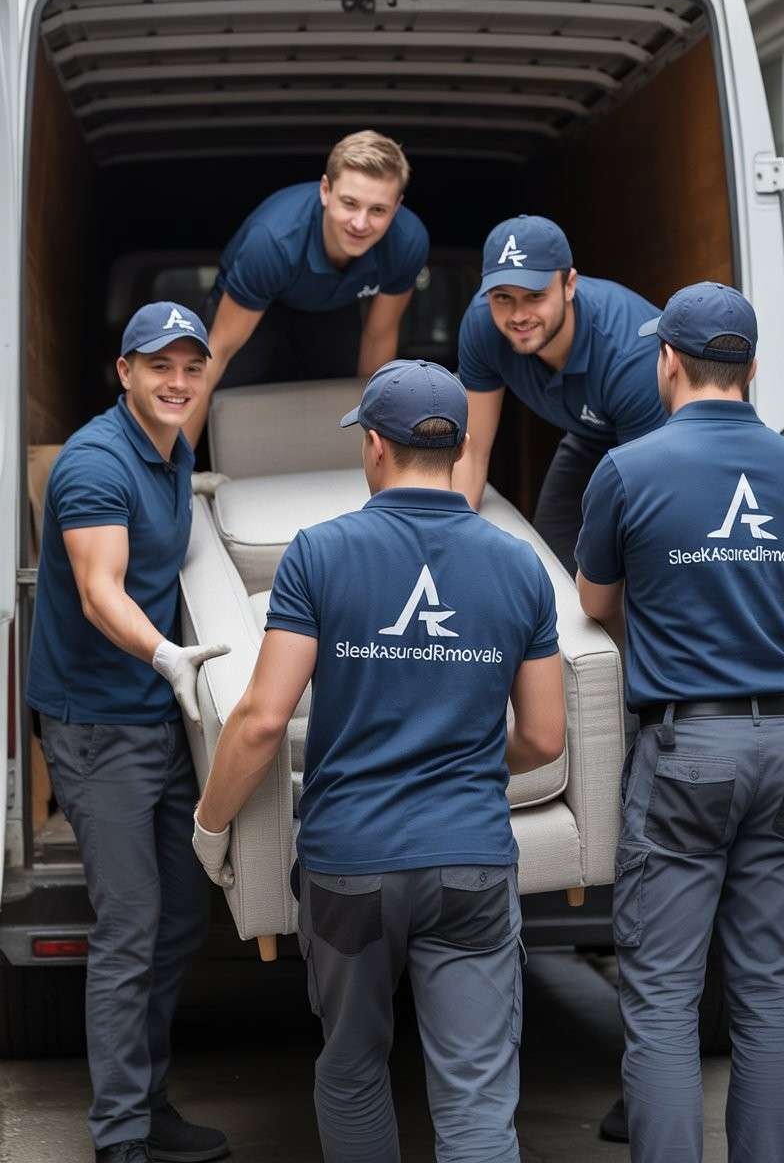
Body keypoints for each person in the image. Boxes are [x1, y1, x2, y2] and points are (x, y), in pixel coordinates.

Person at [192, 359, 565, 1163]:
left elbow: (262, 719)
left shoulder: (319, 555)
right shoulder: (517, 566)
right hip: (470, 861)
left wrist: (211, 825)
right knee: (474, 1098)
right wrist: (462, 761)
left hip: (349, 866)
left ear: (374, 446)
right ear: (463, 445)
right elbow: (543, 738)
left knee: (355, 1069)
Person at [575, 281, 784, 1163]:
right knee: (768, 994)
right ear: (753, 367)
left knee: (664, 998)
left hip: (688, 748)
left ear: (667, 363)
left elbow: (594, 599)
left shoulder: (628, 469)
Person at [26, 303, 231, 1163]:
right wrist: (164, 654)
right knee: (131, 923)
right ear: (125, 372)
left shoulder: (174, 447)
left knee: (182, 913)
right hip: (96, 721)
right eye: (160, 367)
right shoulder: (95, 465)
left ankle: (147, 1105)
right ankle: (120, 1138)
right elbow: (100, 587)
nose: (178, 382)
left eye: (191, 367)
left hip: (153, 715)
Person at [184, 130, 429, 447]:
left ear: (397, 208)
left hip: (334, 308)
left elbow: (379, 335)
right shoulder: (273, 242)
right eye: (349, 203)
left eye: (378, 210)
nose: (360, 223)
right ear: (325, 191)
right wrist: (173, 479)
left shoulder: (407, 242)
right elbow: (218, 351)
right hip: (257, 307)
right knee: (232, 395)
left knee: (340, 396)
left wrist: (376, 451)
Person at [453, 214, 666, 575]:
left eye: (535, 296)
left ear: (570, 285)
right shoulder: (482, 325)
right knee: (553, 546)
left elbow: (649, 499)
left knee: (637, 560)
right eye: (502, 297)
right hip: (591, 433)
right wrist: (446, 546)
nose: (518, 314)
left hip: (671, 449)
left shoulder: (629, 354)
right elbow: (471, 451)